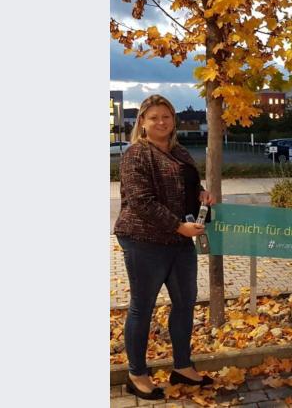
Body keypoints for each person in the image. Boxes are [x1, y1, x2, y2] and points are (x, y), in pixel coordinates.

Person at [113, 94, 216, 399]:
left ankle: (182, 366)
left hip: (179, 240)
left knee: (185, 303)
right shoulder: (136, 155)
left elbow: (187, 186)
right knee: (142, 307)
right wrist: (178, 226)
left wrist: (201, 194)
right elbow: (141, 202)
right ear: (142, 122)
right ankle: (137, 373)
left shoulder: (180, 152)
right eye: (154, 117)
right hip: (144, 239)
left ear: (174, 121)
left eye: (166, 116)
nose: (161, 122)